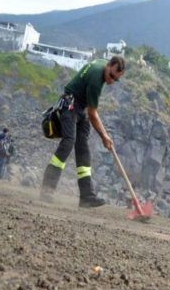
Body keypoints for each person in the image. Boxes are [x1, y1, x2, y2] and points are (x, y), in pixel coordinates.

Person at [40, 56, 126, 207]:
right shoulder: (96, 79)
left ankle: (86, 196)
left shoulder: (101, 67)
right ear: (108, 65)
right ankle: (47, 188)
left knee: (83, 148)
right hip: (70, 105)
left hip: (82, 108)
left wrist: (104, 134)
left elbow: (90, 111)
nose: (111, 81)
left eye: (115, 79)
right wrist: (104, 136)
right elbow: (93, 115)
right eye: (111, 75)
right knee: (68, 142)